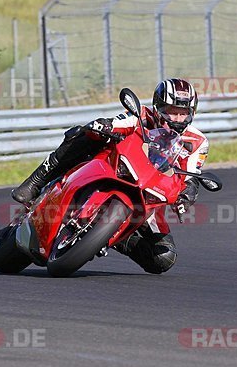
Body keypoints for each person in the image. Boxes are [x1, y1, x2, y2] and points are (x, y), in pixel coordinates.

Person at [11, 78, 209, 274]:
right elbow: (119, 123)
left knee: (163, 258)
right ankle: (36, 182)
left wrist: (187, 195)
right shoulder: (141, 115)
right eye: (171, 111)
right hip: (114, 165)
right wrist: (104, 126)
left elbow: (191, 175)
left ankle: (112, 235)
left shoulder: (198, 142)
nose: (177, 118)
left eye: (183, 113)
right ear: (158, 107)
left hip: (150, 191)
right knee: (82, 135)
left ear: (192, 114)